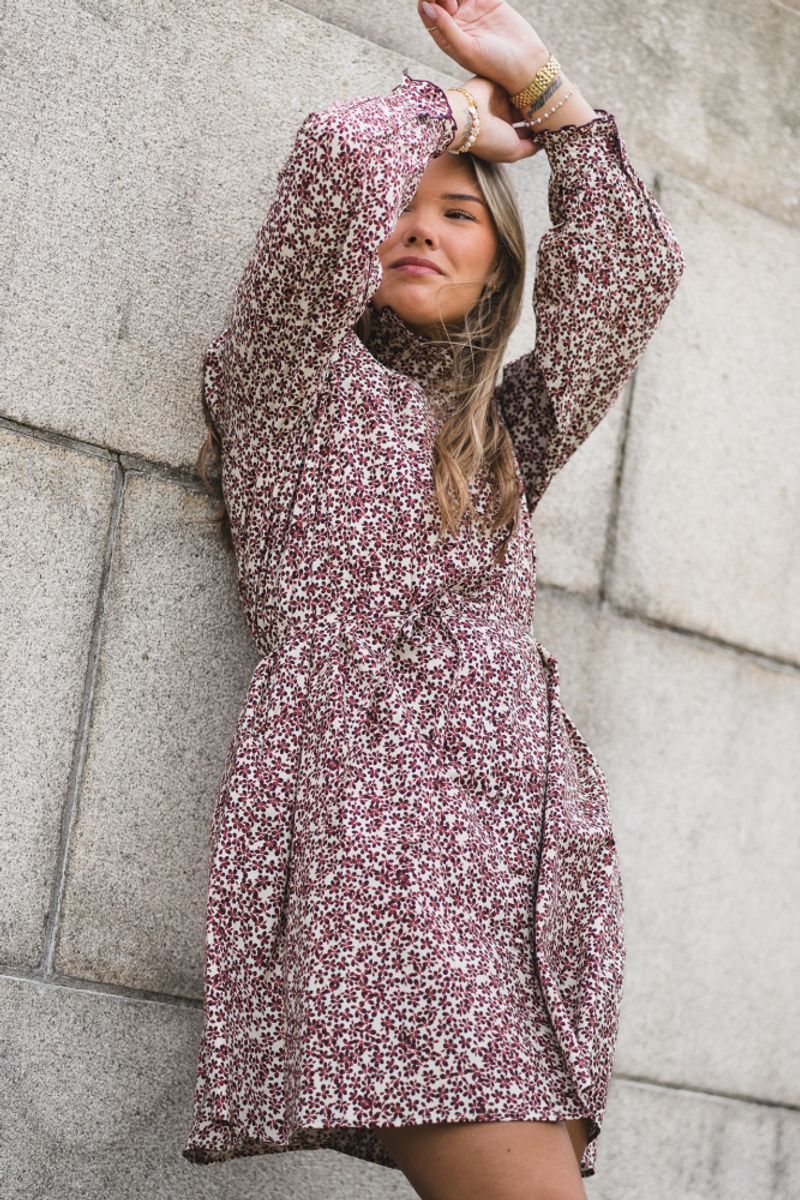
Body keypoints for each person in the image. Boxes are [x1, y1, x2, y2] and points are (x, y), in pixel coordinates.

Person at [184, 2, 685, 1197]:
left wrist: (549, 94)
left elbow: (630, 282)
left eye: (457, 212)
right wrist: (461, 116)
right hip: (385, 852)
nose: (418, 224)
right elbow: (335, 162)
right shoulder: (286, 384)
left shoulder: (498, 438)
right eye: (403, 207)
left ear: (500, 265)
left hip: (517, 870)